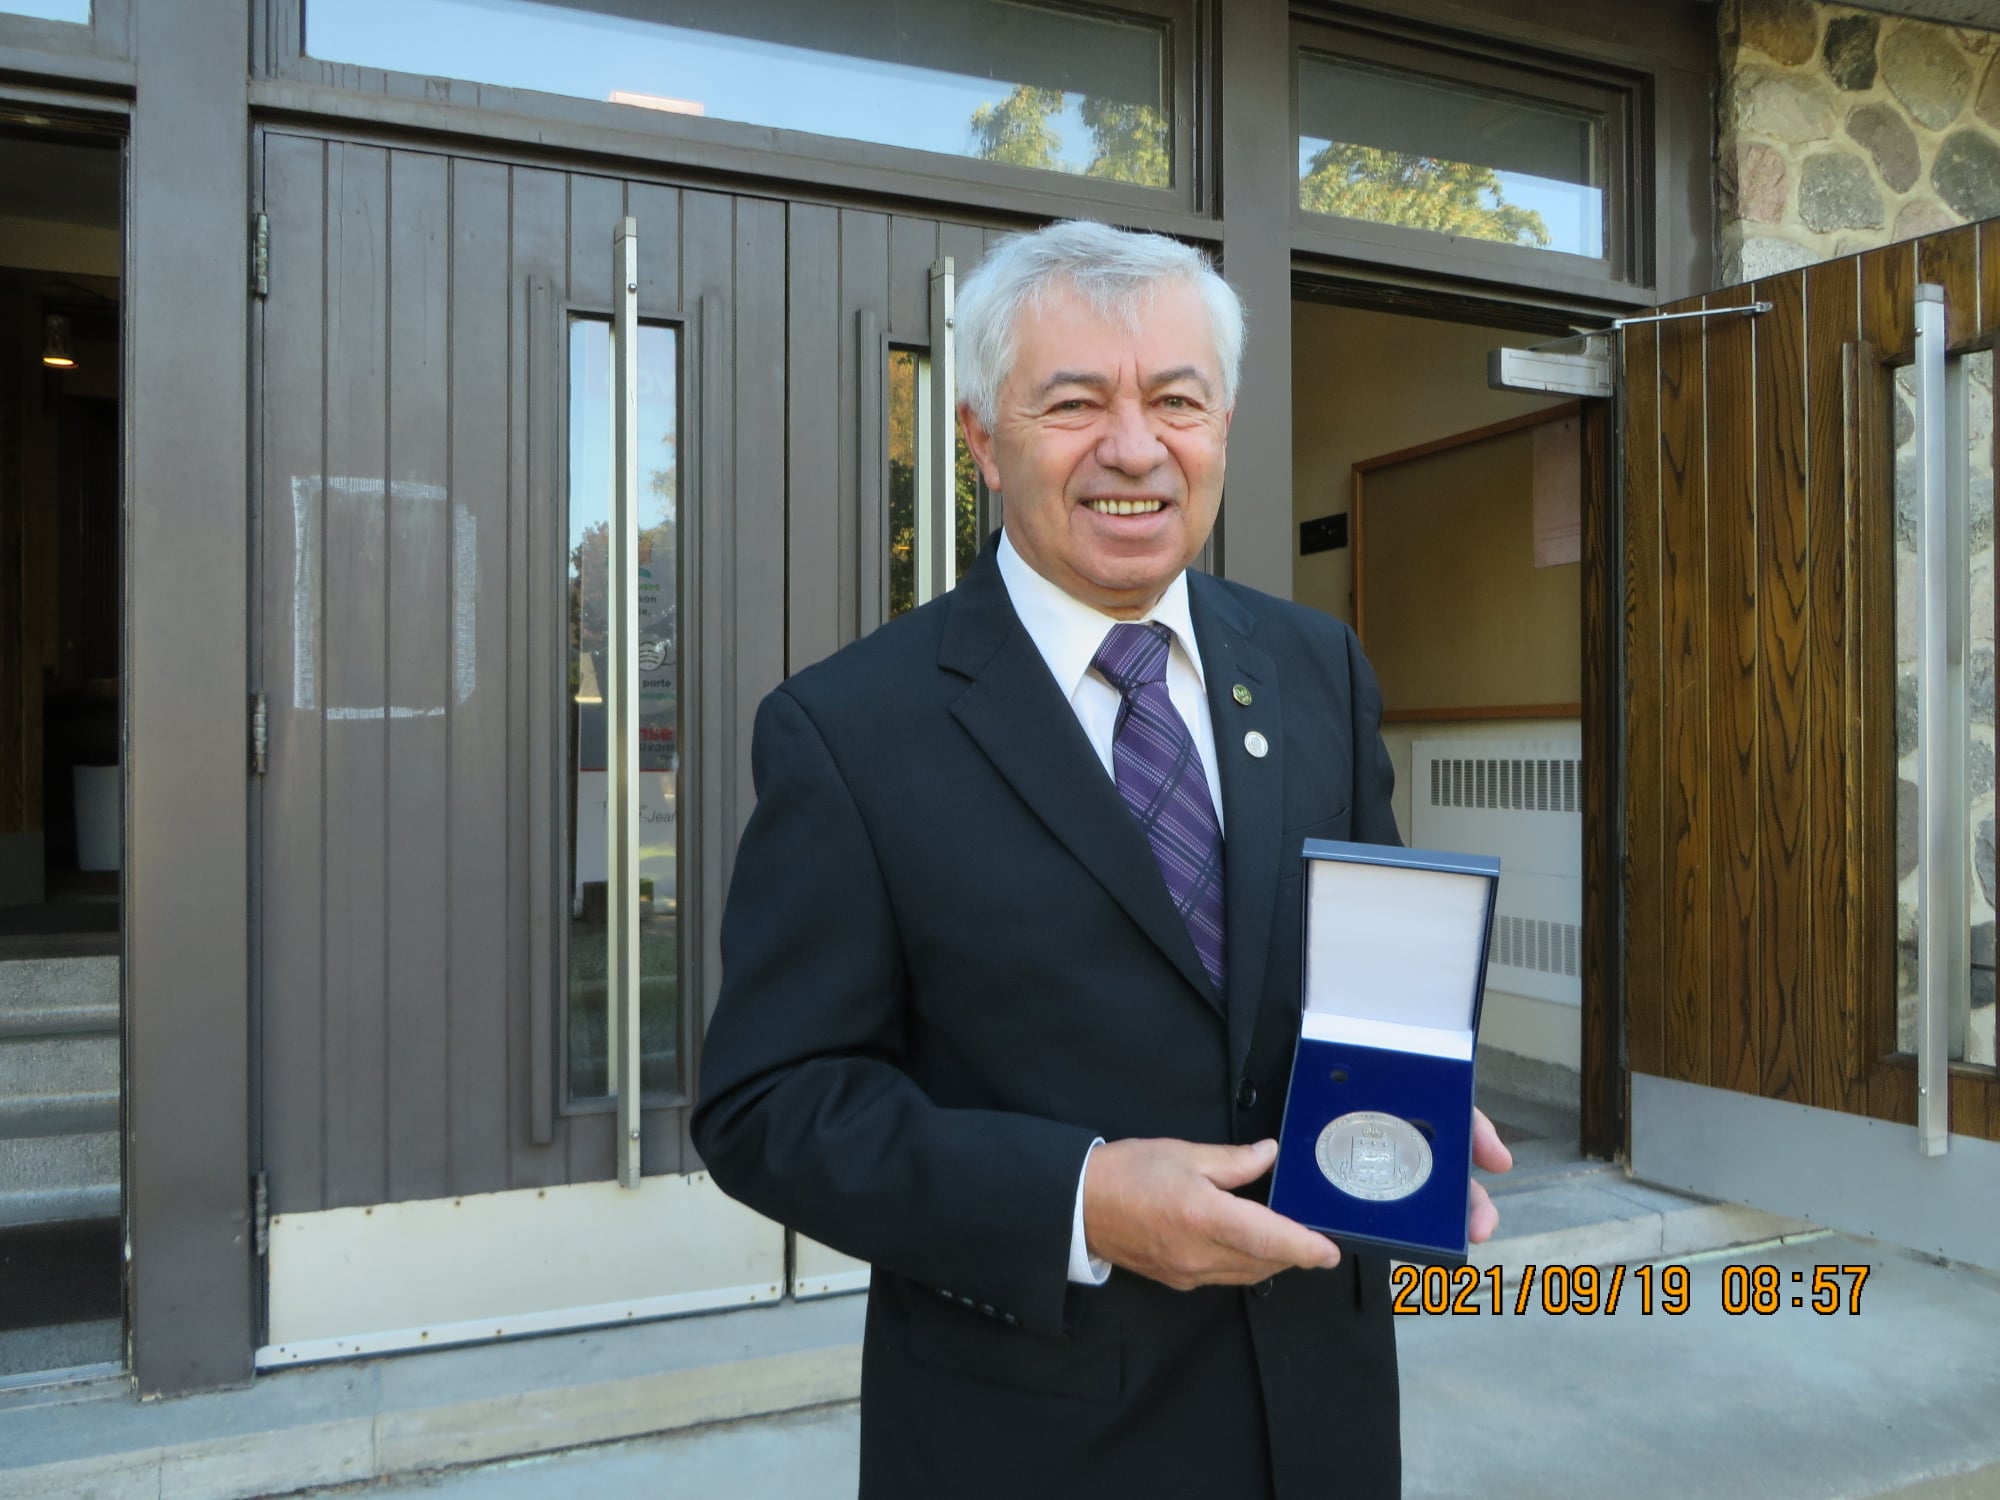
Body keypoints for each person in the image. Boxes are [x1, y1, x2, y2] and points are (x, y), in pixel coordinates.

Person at [690, 219, 1511, 1498]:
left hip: (1321, 1406)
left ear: (1220, 423)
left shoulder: (1314, 670)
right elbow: (768, 1108)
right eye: (1072, 403)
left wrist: (1407, 1103)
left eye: (1175, 400)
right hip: (1036, 1434)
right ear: (979, 437)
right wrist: (1078, 1199)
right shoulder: (849, 729)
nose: (1134, 448)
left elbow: (1353, 973)